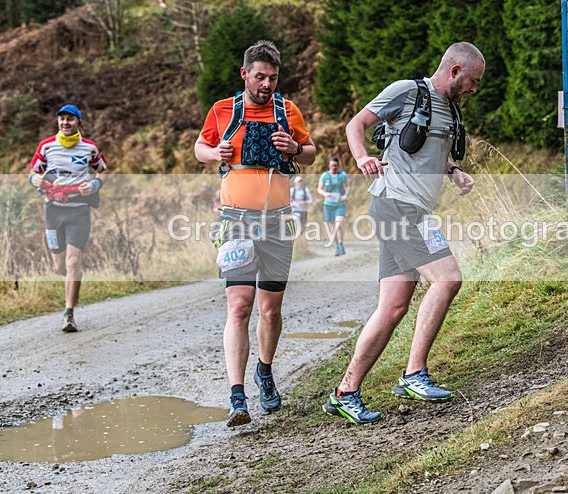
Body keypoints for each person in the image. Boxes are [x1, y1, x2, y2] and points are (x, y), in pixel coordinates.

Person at [322, 42, 482, 424]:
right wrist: (362, 157)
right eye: (473, 81)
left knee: (393, 307)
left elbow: (428, 151)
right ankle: (414, 374)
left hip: (413, 208)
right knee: (448, 279)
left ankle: (346, 392)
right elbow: (355, 124)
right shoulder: (407, 91)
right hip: (397, 205)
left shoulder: (450, 109)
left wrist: (452, 171)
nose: (475, 89)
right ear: (455, 70)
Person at [194, 40, 317, 428]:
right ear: (245, 73)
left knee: (270, 309)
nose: (266, 84)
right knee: (240, 306)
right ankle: (236, 396)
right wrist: (215, 154)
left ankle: (264, 371)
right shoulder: (223, 110)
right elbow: (200, 146)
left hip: (278, 221)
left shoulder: (286, 110)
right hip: (235, 222)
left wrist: (294, 147)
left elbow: (311, 151)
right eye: (260, 76)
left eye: (273, 78)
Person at [29, 104, 107, 333]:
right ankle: (74, 276)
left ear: (78, 123)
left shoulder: (89, 148)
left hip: (79, 211)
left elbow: (103, 170)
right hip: (53, 210)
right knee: (59, 266)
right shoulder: (46, 146)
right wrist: (33, 181)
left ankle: (69, 315)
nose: (65, 123)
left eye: (70, 119)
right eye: (62, 119)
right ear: (57, 122)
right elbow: (33, 172)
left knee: (73, 262)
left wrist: (94, 184)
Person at [317, 156, 349, 256]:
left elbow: (347, 186)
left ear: (338, 165)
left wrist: (345, 195)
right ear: (329, 165)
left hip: (340, 204)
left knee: (338, 224)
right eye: (332, 165)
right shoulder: (325, 176)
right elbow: (319, 189)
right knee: (332, 227)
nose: (334, 167)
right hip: (328, 204)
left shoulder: (342, 175)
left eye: (335, 165)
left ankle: (340, 243)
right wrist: (325, 194)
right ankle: (338, 246)